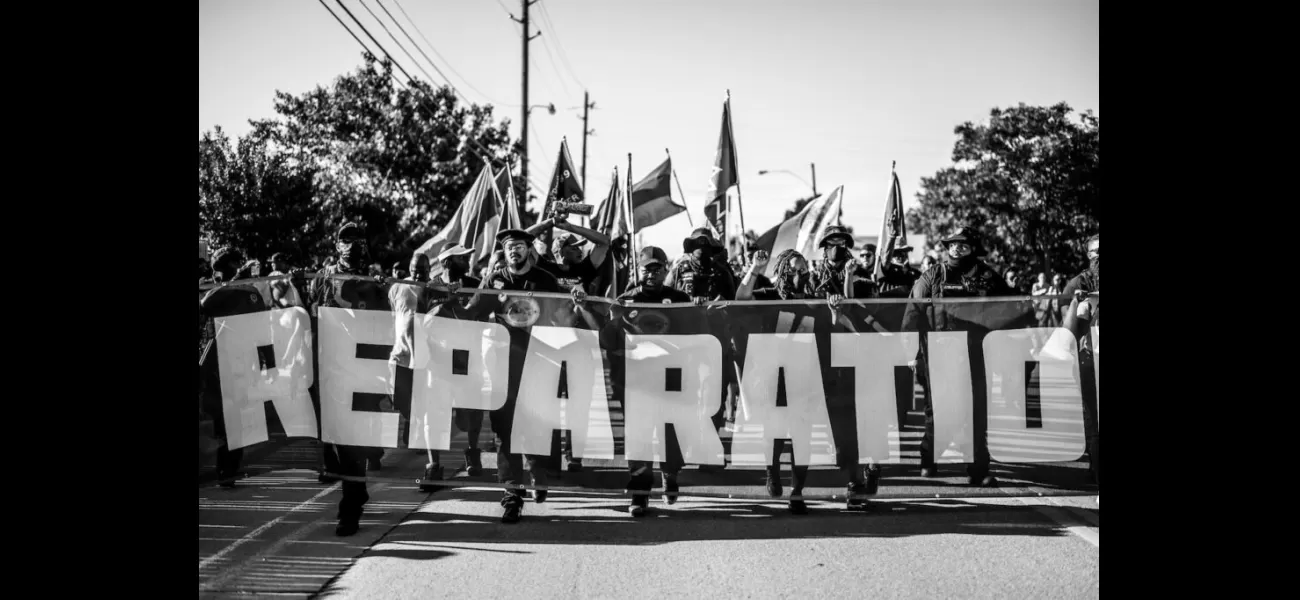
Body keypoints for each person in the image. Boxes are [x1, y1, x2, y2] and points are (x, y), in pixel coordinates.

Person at [458, 228, 583, 523]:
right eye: (508, 247)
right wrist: (452, 303)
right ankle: (512, 492)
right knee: (504, 428)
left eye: (519, 246)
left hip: (540, 362)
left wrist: (576, 301)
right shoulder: (495, 280)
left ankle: (538, 471)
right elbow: (472, 311)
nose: (513, 251)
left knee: (538, 422)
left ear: (529, 249)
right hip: (503, 364)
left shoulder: (544, 280)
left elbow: (563, 315)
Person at [904, 227, 1016, 487]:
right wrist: (912, 353)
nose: (957, 248)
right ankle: (928, 461)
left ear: (973, 247)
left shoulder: (988, 276)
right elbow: (912, 314)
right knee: (937, 411)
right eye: (953, 244)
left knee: (976, 411)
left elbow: (1009, 307)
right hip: (939, 354)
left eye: (963, 244)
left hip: (977, 354)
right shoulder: (932, 275)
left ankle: (978, 469)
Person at [308, 222, 390, 536]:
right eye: (346, 239)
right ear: (336, 243)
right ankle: (354, 496)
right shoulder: (323, 277)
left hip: (364, 372)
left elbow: (385, 323)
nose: (352, 246)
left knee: (356, 442)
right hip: (332, 369)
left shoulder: (375, 280)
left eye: (357, 240)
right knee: (341, 442)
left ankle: (351, 505)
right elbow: (311, 314)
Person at [609, 246, 693, 516]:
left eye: (658, 268)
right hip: (636, 382)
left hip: (671, 380)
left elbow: (695, 336)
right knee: (639, 436)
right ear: (639, 269)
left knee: (671, 432)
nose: (652, 274)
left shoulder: (680, 299)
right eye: (647, 268)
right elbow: (610, 341)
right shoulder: (625, 301)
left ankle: (670, 473)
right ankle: (640, 492)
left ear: (666, 269)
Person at [735, 249, 819, 514]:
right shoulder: (769, 297)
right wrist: (755, 269)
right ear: (783, 271)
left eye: (804, 269)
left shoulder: (812, 300)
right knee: (774, 432)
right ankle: (771, 469)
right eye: (795, 269)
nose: (801, 274)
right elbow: (741, 298)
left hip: (804, 376)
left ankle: (797, 491)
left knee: (802, 436)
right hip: (774, 377)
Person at [807, 225, 879, 509]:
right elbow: (808, 309)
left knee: (869, 416)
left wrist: (848, 277)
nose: (837, 247)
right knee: (842, 422)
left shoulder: (862, 276)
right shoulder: (812, 278)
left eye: (842, 242)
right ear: (823, 246)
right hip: (827, 358)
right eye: (832, 242)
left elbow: (862, 307)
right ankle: (854, 482)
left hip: (861, 356)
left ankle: (872, 467)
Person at [199, 247, 270, 488]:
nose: (216, 273)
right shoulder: (215, 290)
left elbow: (263, 329)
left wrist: (269, 363)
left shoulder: (249, 292)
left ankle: (228, 469)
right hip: (216, 362)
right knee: (220, 420)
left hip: (243, 363)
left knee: (237, 420)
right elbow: (206, 306)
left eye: (220, 268)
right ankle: (224, 468)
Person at [665, 227, 739, 439]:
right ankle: (687, 440)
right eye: (697, 245)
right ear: (691, 246)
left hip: (716, 341)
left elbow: (733, 301)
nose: (702, 249)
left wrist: (716, 305)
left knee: (714, 395)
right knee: (686, 393)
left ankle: (710, 442)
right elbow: (665, 298)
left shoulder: (722, 271)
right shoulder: (679, 269)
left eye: (706, 245)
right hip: (685, 343)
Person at [1061, 234, 1099, 490]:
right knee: (1093, 416)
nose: (1100, 255)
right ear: (1088, 255)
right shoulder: (1078, 282)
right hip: (1090, 358)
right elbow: (1066, 327)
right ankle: (1097, 467)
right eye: (1095, 251)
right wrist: (1077, 301)